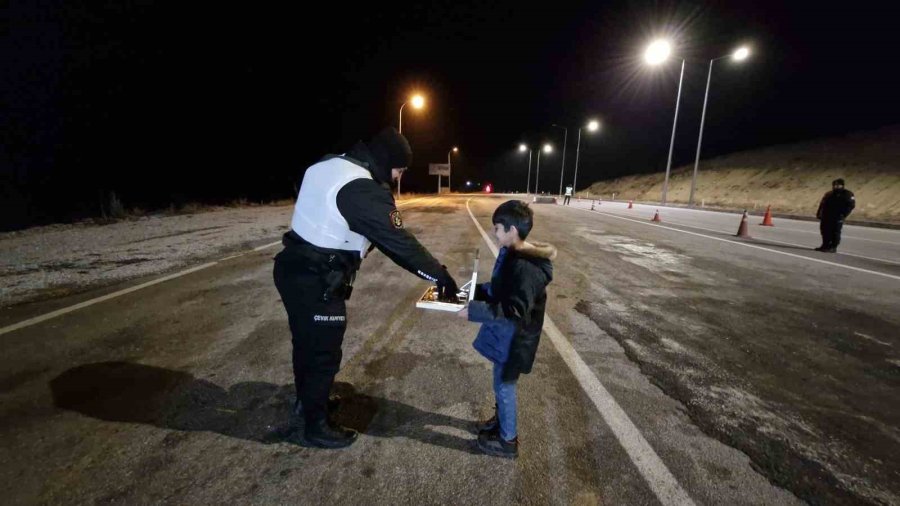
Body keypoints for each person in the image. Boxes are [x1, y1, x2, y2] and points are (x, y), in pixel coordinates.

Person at [273, 126, 458, 449]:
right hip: (318, 280)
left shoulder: (327, 164)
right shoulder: (362, 189)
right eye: (400, 169)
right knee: (322, 354)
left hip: (292, 269)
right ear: (387, 160)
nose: (399, 177)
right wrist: (439, 276)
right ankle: (315, 427)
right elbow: (399, 243)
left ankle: (309, 402)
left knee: (306, 345)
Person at [456, 200, 556, 458]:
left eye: (497, 228)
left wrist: (475, 311)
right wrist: (474, 291)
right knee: (499, 382)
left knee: (505, 385)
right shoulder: (511, 253)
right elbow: (501, 289)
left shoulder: (526, 268)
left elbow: (514, 310)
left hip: (516, 340)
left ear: (512, 230)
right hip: (506, 338)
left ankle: (507, 441)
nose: (494, 233)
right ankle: (501, 421)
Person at [815, 178, 856, 253]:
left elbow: (851, 205)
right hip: (826, 216)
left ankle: (833, 247)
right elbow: (822, 204)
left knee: (835, 232)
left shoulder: (847, 194)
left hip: (837, 216)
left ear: (842, 185)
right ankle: (825, 245)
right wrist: (819, 213)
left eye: (838, 185)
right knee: (825, 230)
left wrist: (843, 214)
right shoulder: (829, 194)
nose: (836, 187)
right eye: (834, 185)